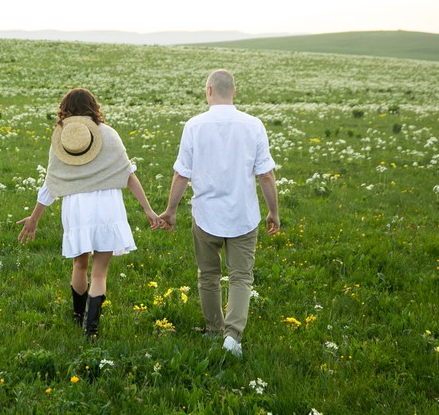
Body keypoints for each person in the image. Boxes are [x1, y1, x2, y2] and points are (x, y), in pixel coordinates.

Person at [17, 87, 162, 337]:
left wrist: (35, 218)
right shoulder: (109, 135)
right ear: (94, 107)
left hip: (77, 208)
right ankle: (90, 330)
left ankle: (77, 317)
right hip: (107, 207)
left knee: (80, 264)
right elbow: (129, 175)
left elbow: (51, 183)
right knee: (99, 272)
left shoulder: (62, 139)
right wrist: (148, 210)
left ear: (65, 110)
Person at [159, 69, 280, 359]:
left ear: (209, 91)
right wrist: (273, 211)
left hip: (206, 215)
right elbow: (265, 175)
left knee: (208, 275)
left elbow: (181, 175)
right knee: (240, 276)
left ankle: (214, 329)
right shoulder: (253, 125)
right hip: (243, 215)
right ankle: (232, 336)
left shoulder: (194, 125)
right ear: (234, 92)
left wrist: (170, 210)